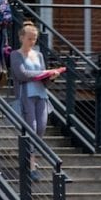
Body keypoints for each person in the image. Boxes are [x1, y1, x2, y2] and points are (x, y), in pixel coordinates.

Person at [9, 21, 63, 180]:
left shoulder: (39, 55)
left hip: (41, 95)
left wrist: (51, 76)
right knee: (31, 128)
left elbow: (44, 81)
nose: (32, 42)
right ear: (21, 38)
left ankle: (30, 155)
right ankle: (31, 163)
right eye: (29, 38)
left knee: (41, 127)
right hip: (26, 95)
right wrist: (43, 72)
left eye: (34, 39)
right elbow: (22, 75)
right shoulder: (15, 55)